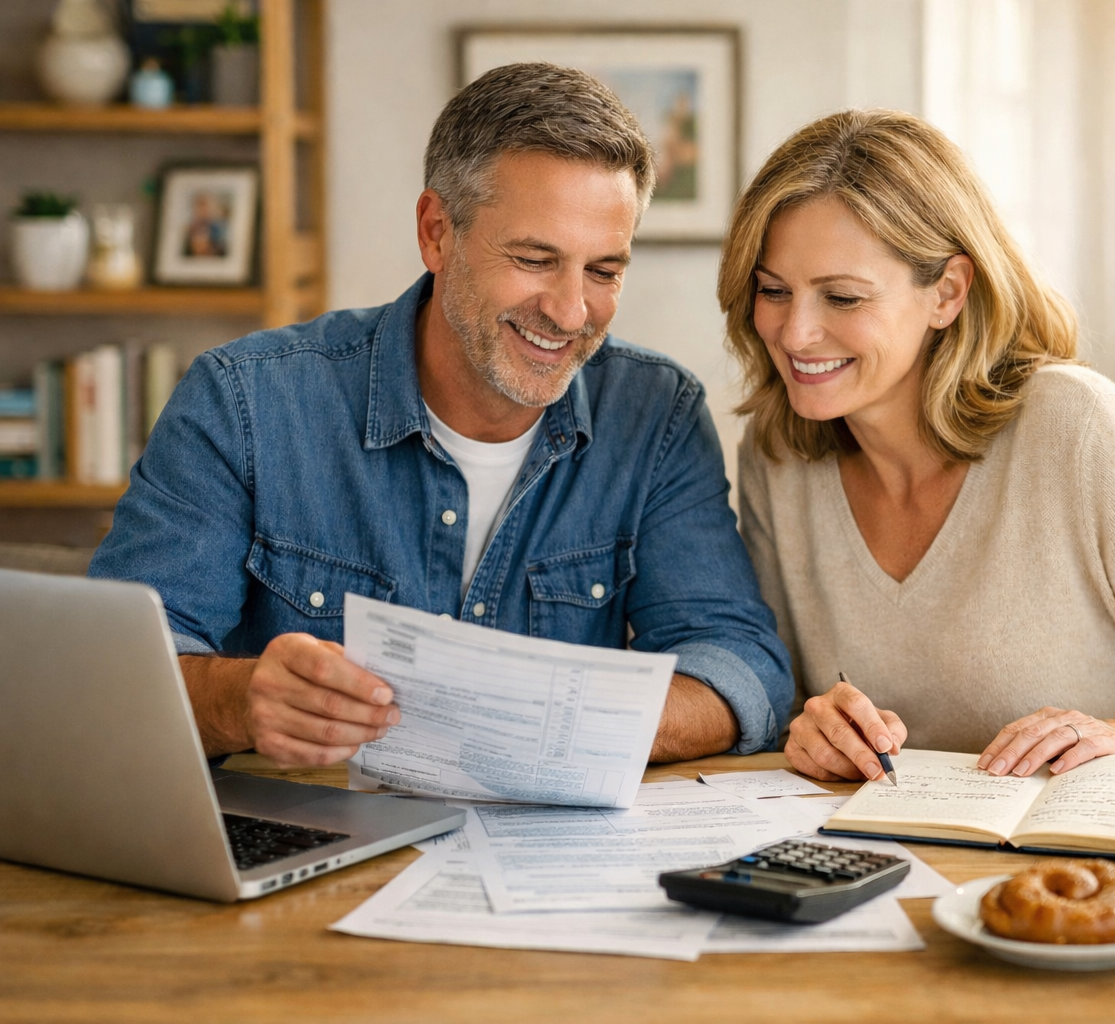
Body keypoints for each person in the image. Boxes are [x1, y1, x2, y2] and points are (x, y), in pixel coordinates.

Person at [90, 63, 792, 768]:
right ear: (436, 233)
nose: (571, 311)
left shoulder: (656, 414)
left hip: (549, 864)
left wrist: (551, 727)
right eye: (533, 258)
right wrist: (238, 701)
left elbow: (738, 665)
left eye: (604, 271)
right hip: (309, 849)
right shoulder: (243, 400)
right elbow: (112, 677)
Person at [720, 109, 1115, 784]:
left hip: (1095, 873)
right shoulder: (778, 452)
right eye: (773, 291)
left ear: (948, 293)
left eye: (842, 298)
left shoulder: (1072, 427)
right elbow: (784, 701)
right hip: (884, 867)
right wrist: (809, 729)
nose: (795, 333)